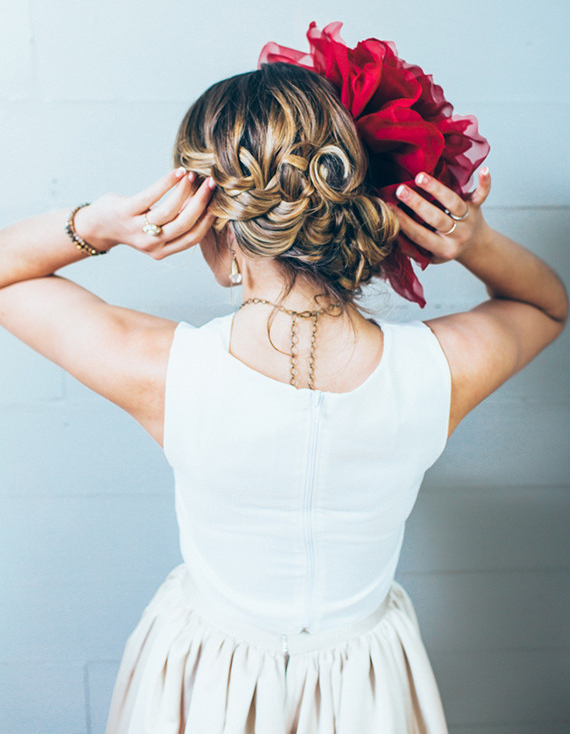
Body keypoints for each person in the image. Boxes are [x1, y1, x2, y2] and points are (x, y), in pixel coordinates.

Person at [0, 61, 567, 734]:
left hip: (204, 678)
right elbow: (546, 304)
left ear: (214, 222)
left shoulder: (164, 370)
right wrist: (477, 241)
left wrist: (98, 223)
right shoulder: (436, 371)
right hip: (368, 686)